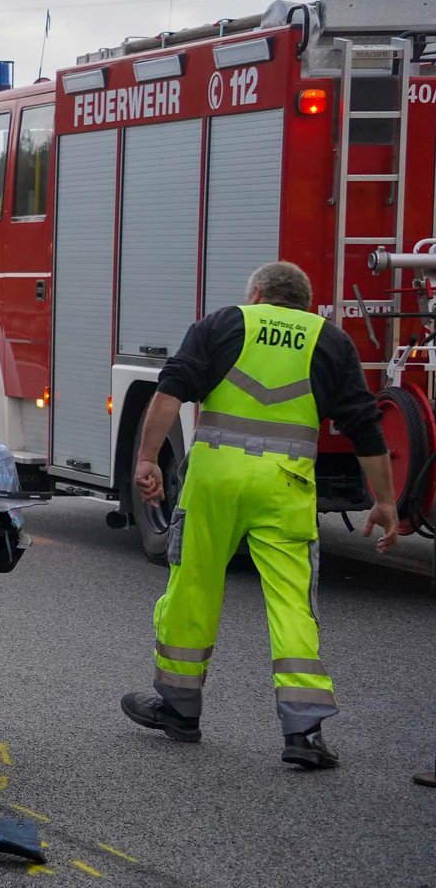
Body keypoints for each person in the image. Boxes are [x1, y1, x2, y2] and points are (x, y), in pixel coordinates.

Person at [120, 261, 397, 769]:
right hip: (286, 487)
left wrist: (145, 459)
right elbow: (364, 424)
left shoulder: (224, 323)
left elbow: (170, 390)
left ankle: (180, 710)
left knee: (193, 585)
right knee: (292, 602)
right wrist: (384, 501)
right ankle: (304, 734)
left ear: (259, 293)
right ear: (303, 305)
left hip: (214, 481)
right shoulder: (329, 341)